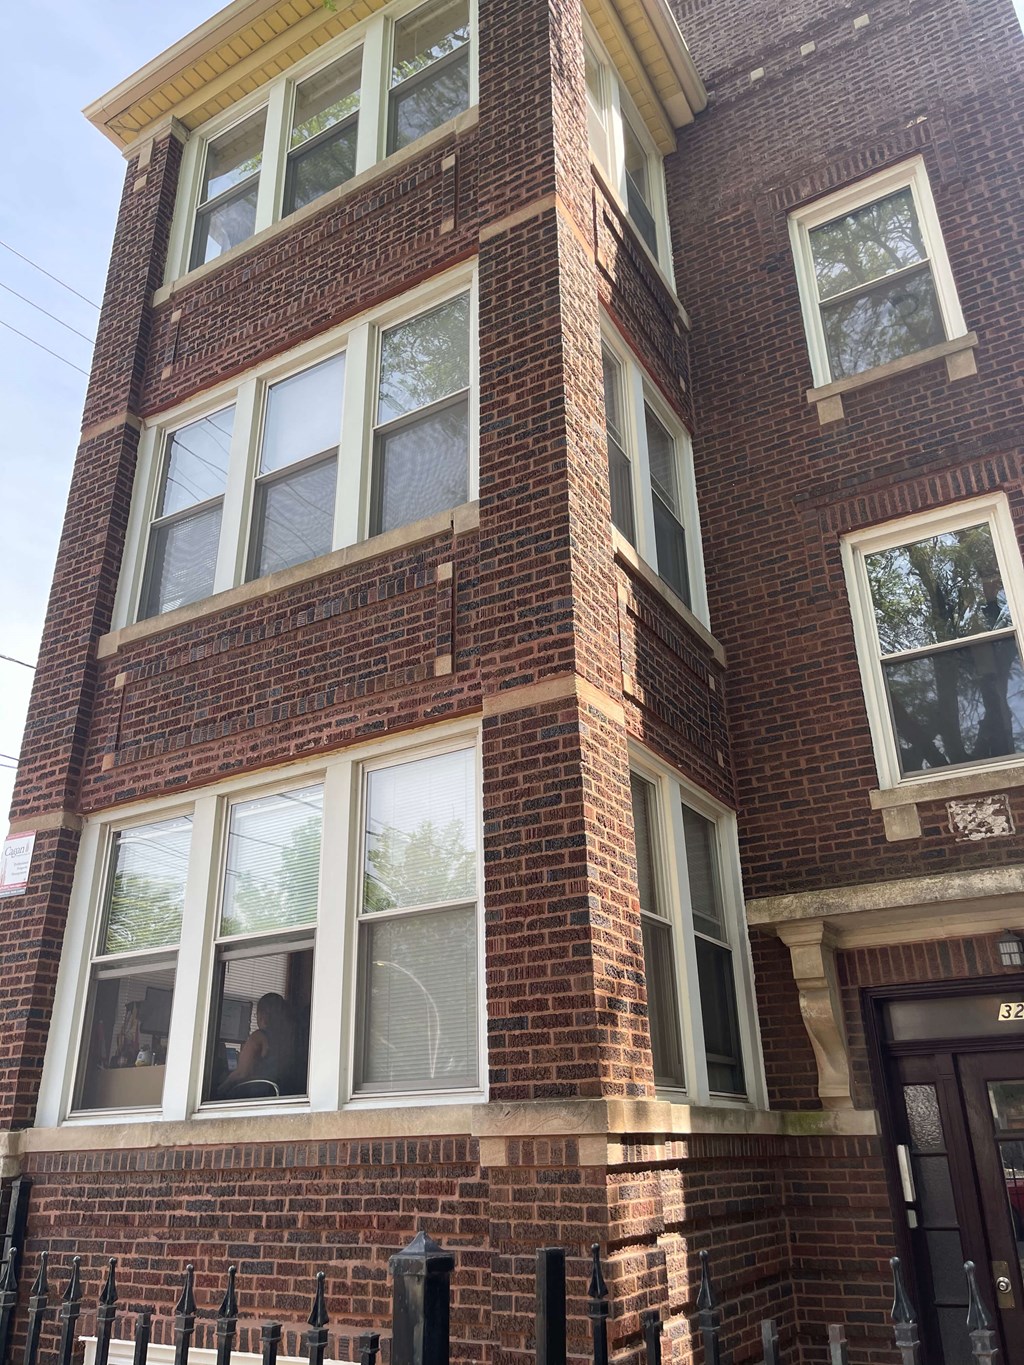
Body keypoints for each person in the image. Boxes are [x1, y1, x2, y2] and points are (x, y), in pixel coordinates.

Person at [218, 992, 301, 1098]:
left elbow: (241, 1073)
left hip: (257, 1097)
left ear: (263, 1015)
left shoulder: (258, 1036)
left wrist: (218, 1091)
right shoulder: (291, 1039)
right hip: (280, 1096)